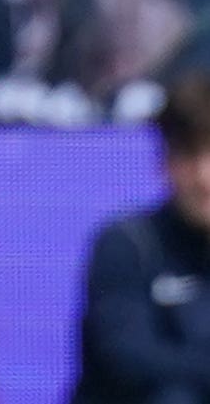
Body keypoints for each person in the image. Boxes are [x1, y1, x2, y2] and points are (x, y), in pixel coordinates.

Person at [74, 70, 210, 403]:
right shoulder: (129, 246)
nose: (204, 177)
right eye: (189, 155)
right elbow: (126, 357)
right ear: (164, 162)